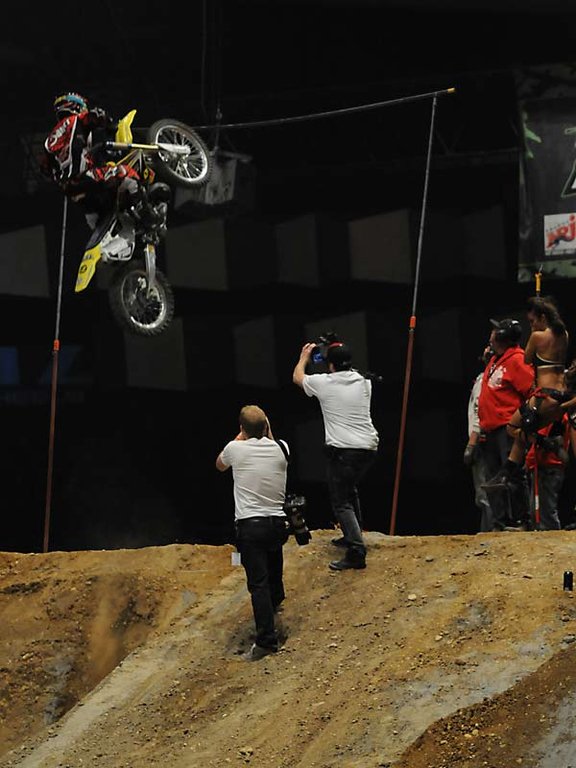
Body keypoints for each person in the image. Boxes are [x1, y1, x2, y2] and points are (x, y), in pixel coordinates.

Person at [292, 338, 379, 570]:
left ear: (330, 364)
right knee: (350, 490)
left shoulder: (325, 383)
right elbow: (349, 371)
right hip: (368, 448)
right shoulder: (364, 382)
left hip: (344, 451)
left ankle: (356, 551)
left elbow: (298, 378)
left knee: (341, 501)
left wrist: (304, 358)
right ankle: (353, 533)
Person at [216, 405, 290, 661]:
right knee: (274, 557)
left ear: (242, 429)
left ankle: (266, 641)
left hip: (250, 526)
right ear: (266, 426)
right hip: (278, 524)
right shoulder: (282, 448)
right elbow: (273, 441)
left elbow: (219, 465)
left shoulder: (234, 448)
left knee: (258, 584)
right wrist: (265, 430)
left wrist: (241, 436)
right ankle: (276, 601)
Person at [484, 296, 569, 488]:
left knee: (512, 427)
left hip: (544, 396)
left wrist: (534, 338)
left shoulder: (538, 337)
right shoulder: (564, 334)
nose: (531, 326)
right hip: (561, 396)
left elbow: (527, 360)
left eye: (532, 321)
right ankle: (505, 475)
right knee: (524, 431)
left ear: (542, 317)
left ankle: (547, 443)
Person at [41, 91, 141, 229]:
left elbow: (44, 169)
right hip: (85, 176)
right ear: (76, 106)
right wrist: (108, 122)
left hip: (71, 189)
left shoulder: (49, 140)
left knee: (95, 212)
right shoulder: (74, 120)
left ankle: (103, 226)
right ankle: (142, 208)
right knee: (125, 173)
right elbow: (96, 117)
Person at [478, 318, 534, 531]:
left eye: (495, 331)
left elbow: (530, 390)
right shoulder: (495, 359)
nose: (491, 334)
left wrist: (524, 421)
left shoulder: (517, 360)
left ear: (501, 336)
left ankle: (522, 520)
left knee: (513, 474)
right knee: (493, 477)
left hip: (507, 426)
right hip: (490, 427)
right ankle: (499, 522)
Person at [464, 346, 493, 532]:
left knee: (485, 492)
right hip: (483, 438)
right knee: (483, 493)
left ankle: (490, 531)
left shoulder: (487, 380)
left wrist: (472, 443)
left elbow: (479, 412)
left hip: (482, 440)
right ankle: (488, 529)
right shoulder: (483, 378)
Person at [525, 416, 570, 531]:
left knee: (546, 513)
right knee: (537, 511)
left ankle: (553, 538)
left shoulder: (557, 418)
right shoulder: (546, 417)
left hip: (549, 467)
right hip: (542, 466)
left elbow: (552, 442)